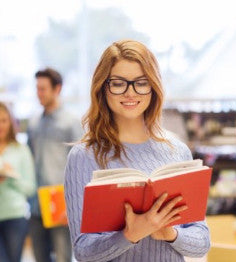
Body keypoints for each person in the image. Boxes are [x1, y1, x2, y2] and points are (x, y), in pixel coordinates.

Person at [64, 40, 210, 262]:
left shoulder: (177, 151)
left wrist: (169, 233)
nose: (130, 93)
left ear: (153, 86)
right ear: (103, 87)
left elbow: (202, 243)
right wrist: (130, 235)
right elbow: (83, 252)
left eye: (141, 82)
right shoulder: (84, 156)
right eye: (118, 83)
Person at [27, 68, 81, 262]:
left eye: (43, 89)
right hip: (35, 203)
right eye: (37, 89)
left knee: (62, 257)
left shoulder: (71, 122)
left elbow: (79, 164)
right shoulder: (34, 123)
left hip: (61, 202)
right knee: (39, 257)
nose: (39, 93)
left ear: (57, 89)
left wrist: (74, 203)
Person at [0, 102, 36, 262]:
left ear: (10, 122)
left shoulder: (21, 150)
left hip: (15, 216)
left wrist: (11, 176)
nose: (0, 125)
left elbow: (30, 188)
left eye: (3, 120)